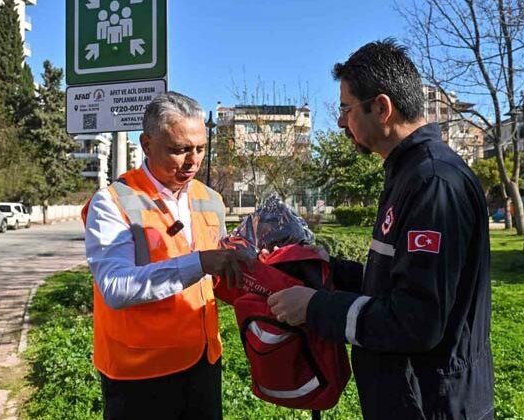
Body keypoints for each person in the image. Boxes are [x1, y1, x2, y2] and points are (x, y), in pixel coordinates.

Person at [267, 39, 494, 419]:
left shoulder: (433, 182)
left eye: (345, 108)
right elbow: (394, 284)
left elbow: (417, 320)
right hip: (407, 397)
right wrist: (325, 266)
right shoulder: (408, 174)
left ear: (382, 108)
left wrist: (315, 307)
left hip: (432, 404)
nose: (340, 122)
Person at [83, 92, 252, 420]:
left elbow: (215, 277)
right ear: (146, 144)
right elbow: (116, 288)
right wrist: (201, 262)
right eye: (179, 150)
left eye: (200, 148)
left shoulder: (211, 198)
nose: (193, 162)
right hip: (139, 375)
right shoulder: (112, 202)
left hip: (203, 363)